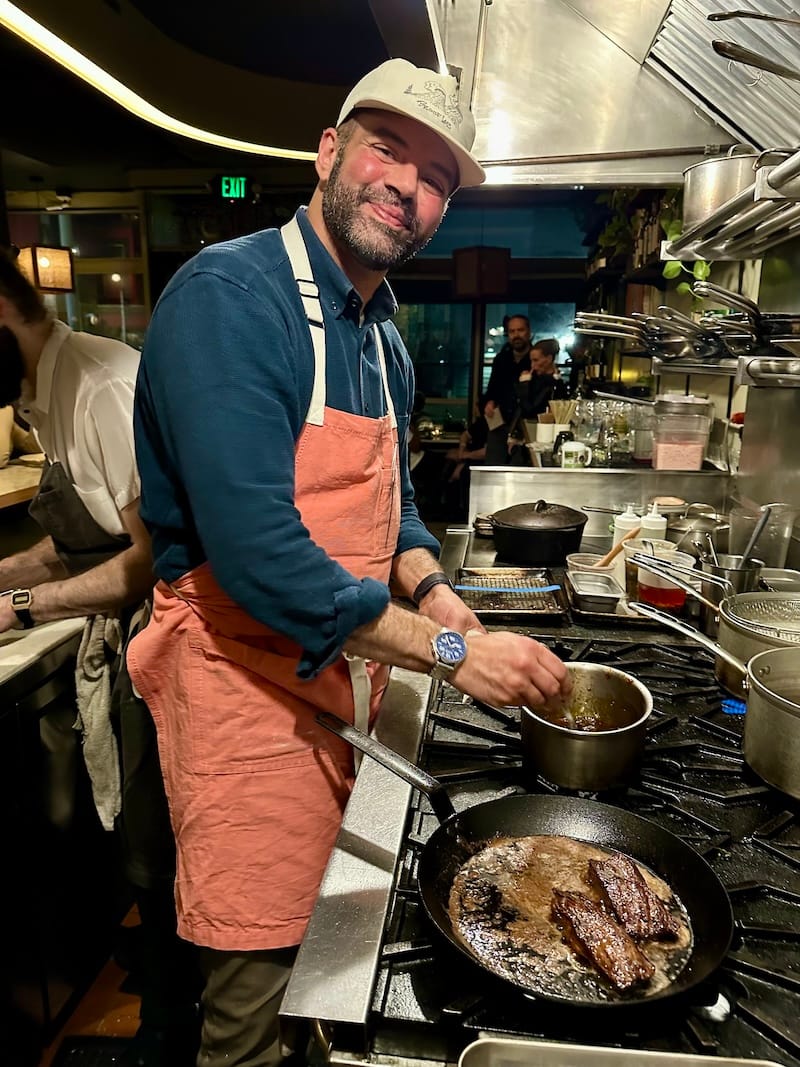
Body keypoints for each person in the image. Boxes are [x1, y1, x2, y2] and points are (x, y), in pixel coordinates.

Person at [128, 57, 570, 1067]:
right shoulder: (231, 299)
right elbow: (262, 560)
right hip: (241, 689)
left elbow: (397, 512)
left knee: (325, 959)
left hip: (337, 679)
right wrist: (454, 655)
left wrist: (446, 600)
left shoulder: (382, 334)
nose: (406, 185)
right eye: (388, 149)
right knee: (252, 999)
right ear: (328, 153)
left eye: (434, 180)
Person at [0, 253, 199, 1067]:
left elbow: (150, 557)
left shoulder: (99, 388)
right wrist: (7, 573)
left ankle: (173, 1017)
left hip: (168, 633)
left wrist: (15, 608)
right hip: (131, 624)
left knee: (156, 838)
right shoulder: (48, 389)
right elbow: (84, 532)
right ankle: (158, 964)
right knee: (138, 835)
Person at [483, 313, 532, 464]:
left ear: (528, 332)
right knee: (492, 467)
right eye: (512, 331)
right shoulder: (501, 359)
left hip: (525, 425)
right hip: (500, 422)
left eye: (520, 330)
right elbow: (492, 390)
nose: (516, 335)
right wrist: (489, 402)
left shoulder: (535, 359)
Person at [524, 337, 569, 417]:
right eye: (531, 361)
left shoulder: (555, 384)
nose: (532, 365)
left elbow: (531, 410)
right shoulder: (534, 379)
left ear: (549, 359)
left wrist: (523, 385)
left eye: (536, 360)